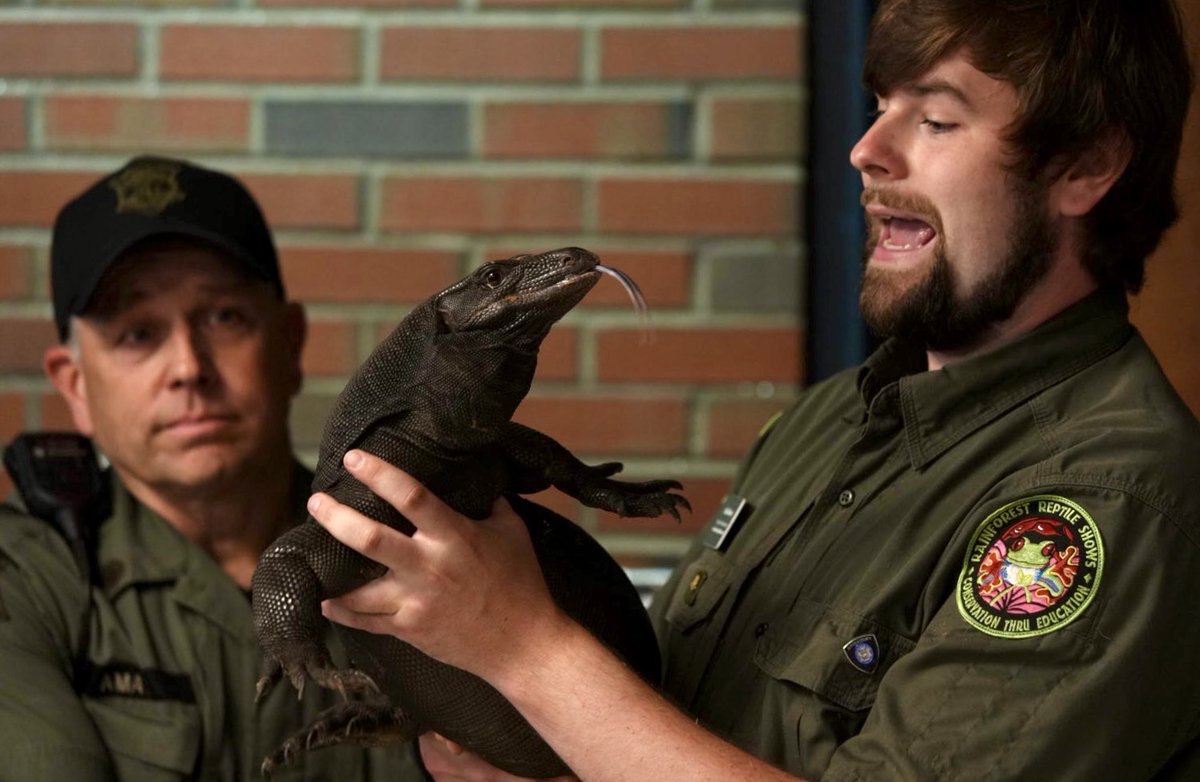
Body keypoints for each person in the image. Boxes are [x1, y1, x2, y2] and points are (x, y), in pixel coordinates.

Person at [299, 1, 1200, 780]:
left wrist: (526, 647)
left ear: (1085, 166)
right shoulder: (825, 421)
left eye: (936, 119)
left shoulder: (1110, 498)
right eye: (879, 104)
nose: (865, 150)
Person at [0, 156, 424, 780]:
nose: (189, 367)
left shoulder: (416, 554)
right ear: (76, 386)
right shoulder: (28, 579)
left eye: (224, 317)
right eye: (138, 333)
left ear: (290, 342)